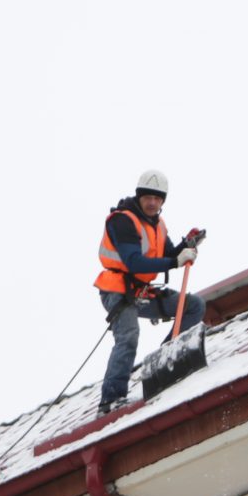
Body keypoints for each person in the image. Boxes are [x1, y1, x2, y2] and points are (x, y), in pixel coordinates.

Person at [95, 169, 206, 413]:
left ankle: (164, 362)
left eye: (158, 198)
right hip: (118, 291)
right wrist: (175, 261)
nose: (153, 202)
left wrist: (185, 247)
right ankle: (111, 400)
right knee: (128, 335)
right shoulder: (123, 221)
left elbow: (167, 255)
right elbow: (134, 262)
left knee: (193, 305)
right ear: (139, 197)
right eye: (148, 197)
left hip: (142, 292)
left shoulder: (158, 224)